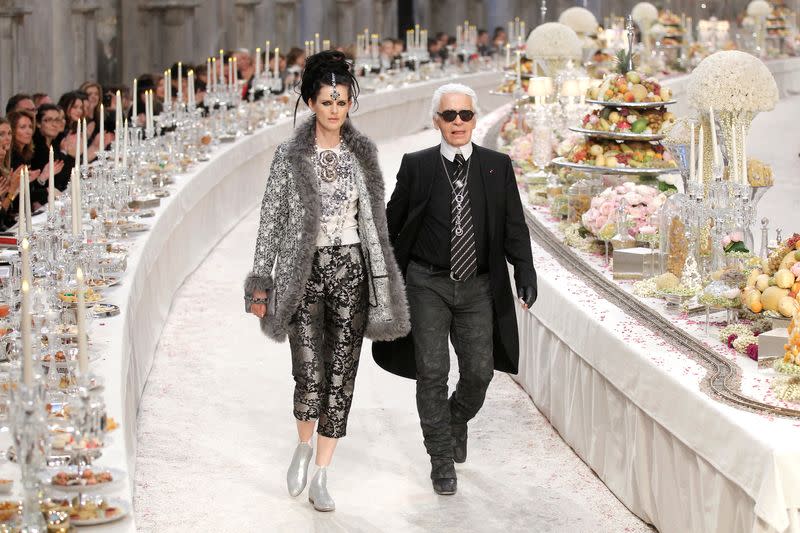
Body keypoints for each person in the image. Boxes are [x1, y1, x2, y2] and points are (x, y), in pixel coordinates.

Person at [244, 50, 409, 512]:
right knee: (308, 372)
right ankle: (301, 443)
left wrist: (386, 277)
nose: (335, 109)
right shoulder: (289, 156)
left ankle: (322, 473)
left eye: (342, 101)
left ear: (350, 103)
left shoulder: (363, 154)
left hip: (352, 270)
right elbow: (271, 220)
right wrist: (261, 284)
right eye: (326, 101)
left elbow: (375, 221)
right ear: (310, 103)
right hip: (303, 272)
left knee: (342, 373)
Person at [372, 83, 537, 496]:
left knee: (480, 372)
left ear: (475, 118)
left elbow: (513, 224)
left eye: (465, 114)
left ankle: (454, 419)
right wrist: (379, 275)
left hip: (479, 284)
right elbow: (392, 224)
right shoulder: (418, 165)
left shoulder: (497, 166)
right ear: (437, 122)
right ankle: (441, 460)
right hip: (427, 282)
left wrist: (525, 270)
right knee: (432, 372)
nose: (458, 122)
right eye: (450, 115)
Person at [6, 110, 47, 209]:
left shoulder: (25, 154)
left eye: (30, 127)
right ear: (12, 130)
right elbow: (17, 198)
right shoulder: (12, 157)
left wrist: (42, 178)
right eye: (23, 127)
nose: (29, 131)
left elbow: (29, 189)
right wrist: (47, 191)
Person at [31, 104, 69, 191]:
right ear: (38, 123)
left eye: (57, 120)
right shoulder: (35, 147)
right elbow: (57, 178)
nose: (54, 124)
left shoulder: (54, 143)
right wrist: (64, 153)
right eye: (49, 120)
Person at [0, 118, 21, 228]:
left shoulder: (6, 167)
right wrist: (12, 191)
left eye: (9, 133)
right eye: (1, 134)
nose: (7, 138)